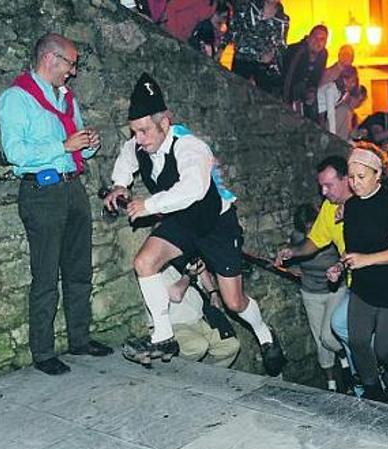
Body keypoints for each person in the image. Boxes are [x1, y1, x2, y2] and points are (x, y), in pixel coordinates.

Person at [104, 72, 285, 376]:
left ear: (166, 122)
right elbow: (126, 160)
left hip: (215, 224)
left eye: (145, 131)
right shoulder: (138, 145)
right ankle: (163, 337)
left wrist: (148, 205)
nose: (139, 139)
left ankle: (265, 335)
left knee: (234, 301)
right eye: (135, 132)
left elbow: (193, 190)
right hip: (181, 223)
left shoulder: (191, 147)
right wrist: (120, 185)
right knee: (144, 262)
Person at [0, 32, 112, 376]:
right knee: (45, 275)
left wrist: (88, 142)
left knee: (78, 271)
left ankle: (80, 339)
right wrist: (63, 145)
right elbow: (14, 153)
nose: (73, 72)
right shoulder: (16, 99)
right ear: (50, 59)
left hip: (72, 188)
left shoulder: (67, 99)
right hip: (42, 193)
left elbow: (79, 146)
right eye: (70, 64)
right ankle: (43, 352)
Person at [337, 144, 388, 404]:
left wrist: (365, 260)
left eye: (361, 177)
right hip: (364, 287)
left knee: (386, 349)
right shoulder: (350, 207)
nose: (355, 183)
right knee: (358, 341)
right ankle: (375, 393)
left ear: (377, 174)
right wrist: (342, 264)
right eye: (351, 177)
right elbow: (355, 249)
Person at [126, 264, 241, 367]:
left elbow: (201, 267)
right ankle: (177, 370)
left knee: (231, 346)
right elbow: (176, 295)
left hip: (199, 320)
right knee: (198, 346)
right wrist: (188, 275)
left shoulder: (184, 261)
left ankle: (204, 375)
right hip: (174, 325)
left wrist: (212, 292)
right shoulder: (156, 269)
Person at [287, 203, 345, 391]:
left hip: (334, 290)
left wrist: (337, 269)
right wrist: (293, 266)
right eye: (307, 229)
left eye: (313, 226)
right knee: (320, 340)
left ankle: (346, 355)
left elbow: (345, 257)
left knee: (329, 336)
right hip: (311, 292)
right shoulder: (298, 238)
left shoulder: (331, 233)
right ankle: (331, 383)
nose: (311, 232)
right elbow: (294, 258)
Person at [220, 0, 289, 94]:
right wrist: (220, 49)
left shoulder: (283, 20)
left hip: (263, 68)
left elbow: (281, 46)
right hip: (242, 61)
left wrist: (272, 55)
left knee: (261, 101)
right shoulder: (248, 6)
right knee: (237, 94)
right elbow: (232, 28)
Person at [282, 25, 328, 121]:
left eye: (322, 39)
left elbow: (317, 77)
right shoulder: (296, 51)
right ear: (309, 38)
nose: (318, 42)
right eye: (315, 37)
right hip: (288, 94)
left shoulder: (323, 54)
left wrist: (311, 91)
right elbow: (288, 78)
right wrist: (287, 103)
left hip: (304, 96)